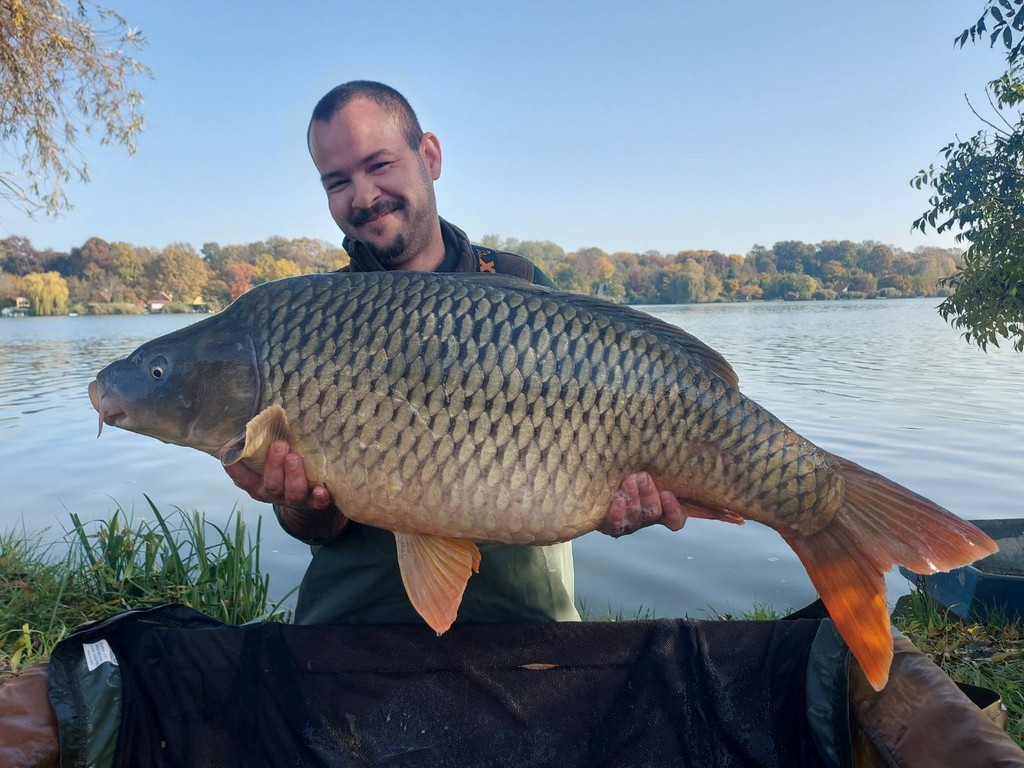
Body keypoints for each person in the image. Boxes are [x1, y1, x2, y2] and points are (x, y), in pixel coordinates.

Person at [225, 80, 686, 626]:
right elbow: (316, 528)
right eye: (338, 181)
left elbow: (589, 478)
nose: (363, 196)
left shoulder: (519, 284)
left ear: (429, 156)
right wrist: (298, 501)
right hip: (355, 624)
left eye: (379, 165)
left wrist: (616, 504)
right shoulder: (310, 320)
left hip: (522, 618)